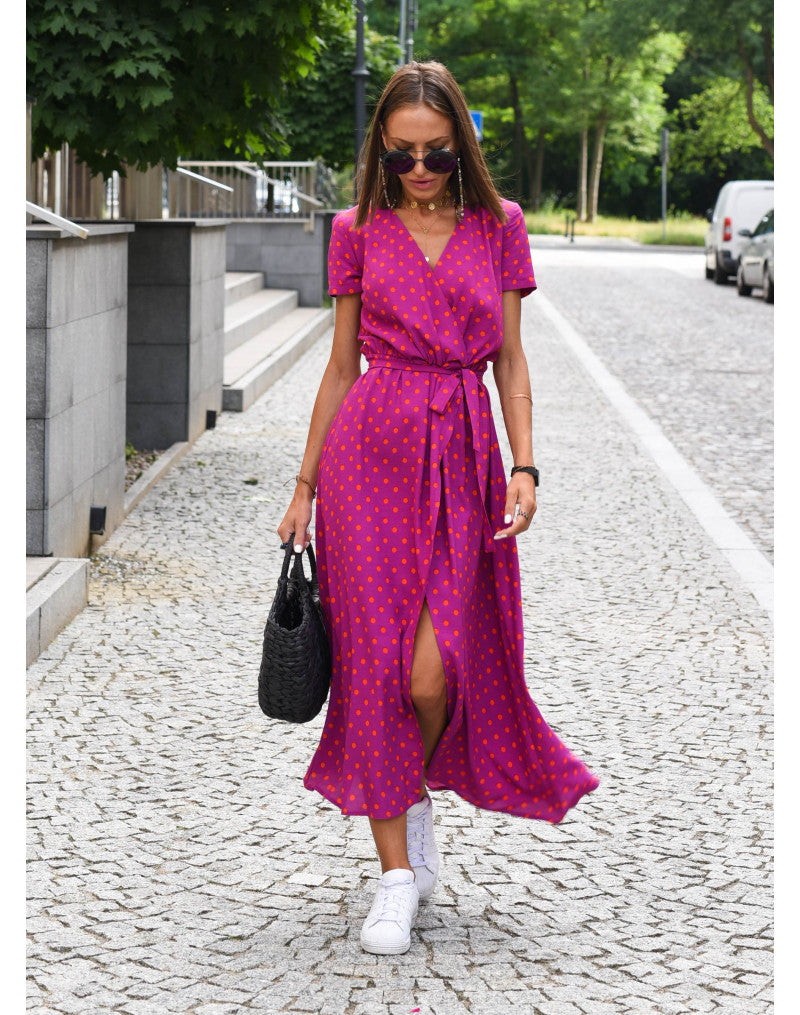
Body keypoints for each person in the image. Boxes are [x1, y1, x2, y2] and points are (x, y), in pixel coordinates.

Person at [277, 60, 598, 955]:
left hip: (463, 455)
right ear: (381, 150)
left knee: (435, 670)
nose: (420, 171)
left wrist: (526, 465)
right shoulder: (354, 229)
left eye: (438, 156)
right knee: (378, 666)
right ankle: (395, 872)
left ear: (463, 147)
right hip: (366, 460)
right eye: (403, 156)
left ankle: (410, 796)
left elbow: (512, 362)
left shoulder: (500, 227)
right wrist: (304, 485)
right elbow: (342, 365)